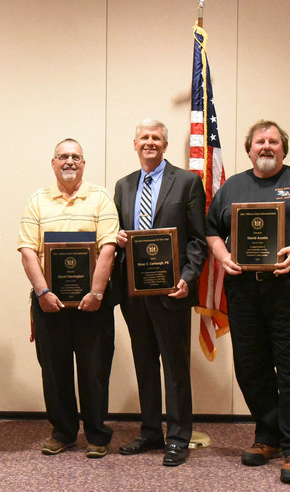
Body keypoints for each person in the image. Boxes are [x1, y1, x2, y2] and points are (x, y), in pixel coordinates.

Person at [205, 119, 290, 484]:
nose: (266, 147)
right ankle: (268, 435)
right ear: (248, 149)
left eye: (273, 141)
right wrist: (222, 257)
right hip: (245, 291)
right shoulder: (232, 186)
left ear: (283, 148)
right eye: (259, 142)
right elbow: (210, 231)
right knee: (251, 366)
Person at [112, 119, 207, 466]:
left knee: (175, 364)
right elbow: (118, 233)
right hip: (134, 293)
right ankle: (151, 430)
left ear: (165, 146)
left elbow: (199, 239)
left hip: (173, 292)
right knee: (145, 362)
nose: (149, 142)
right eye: (144, 138)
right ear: (135, 144)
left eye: (156, 138)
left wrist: (188, 277)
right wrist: (119, 238)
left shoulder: (187, 182)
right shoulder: (123, 186)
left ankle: (178, 436)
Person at [18, 138, 119, 459]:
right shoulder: (37, 200)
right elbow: (27, 251)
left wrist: (98, 292)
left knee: (94, 369)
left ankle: (97, 433)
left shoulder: (101, 198)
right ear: (53, 163)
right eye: (63, 156)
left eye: (75, 156)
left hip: (94, 303)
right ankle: (63, 431)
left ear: (84, 163)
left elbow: (108, 248)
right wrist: (42, 292)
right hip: (49, 303)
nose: (69, 162)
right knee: (54, 369)